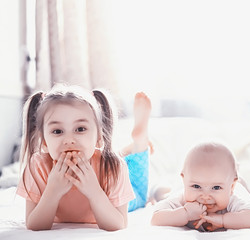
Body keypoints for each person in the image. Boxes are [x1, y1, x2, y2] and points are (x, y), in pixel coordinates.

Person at [16, 84, 150, 231]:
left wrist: (94, 191)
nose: (69, 140)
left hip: (113, 197)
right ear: (44, 142)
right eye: (57, 131)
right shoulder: (37, 166)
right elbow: (34, 224)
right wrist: (53, 191)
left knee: (140, 195)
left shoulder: (114, 167)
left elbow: (119, 224)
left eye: (80, 129)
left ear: (99, 137)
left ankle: (139, 144)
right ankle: (132, 147)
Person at [151, 142, 250, 232]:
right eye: (196, 186)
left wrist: (223, 220)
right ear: (184, 181)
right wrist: (185, 213)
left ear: (231, 187)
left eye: (216, 187)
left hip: (238, 186)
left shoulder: (233, 200)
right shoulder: (182, 200)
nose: (205, 196)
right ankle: (158, 189)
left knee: (246, 190)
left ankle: (240, 179)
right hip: (177, 188)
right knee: (163, 194)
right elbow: (156, 219)